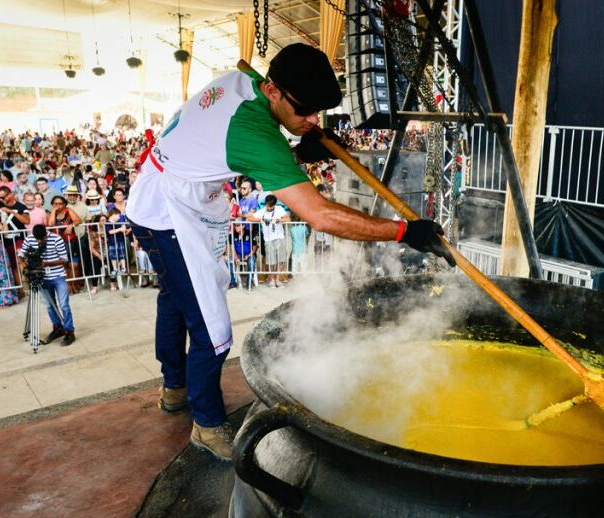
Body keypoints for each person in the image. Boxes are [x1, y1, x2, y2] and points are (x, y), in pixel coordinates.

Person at [127, 43, 451, 460]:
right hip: (167, 215)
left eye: (319, 112)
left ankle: (175, 388)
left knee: (174, 300)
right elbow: (320, 216)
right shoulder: (253, 134)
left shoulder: (244, 81)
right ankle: (206, 426)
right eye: (305, 111)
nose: (313, 120)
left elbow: (231, 152)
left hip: (155, 195)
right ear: (275, 91)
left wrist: (298, 150)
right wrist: (403, 230)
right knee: (211, 330)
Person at [19, 223, 75, 346]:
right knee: (50, 305)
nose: (39, 241)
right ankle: (58, 328)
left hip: (58, 276)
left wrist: (47, 263)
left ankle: (69, 331)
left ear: (46, 234)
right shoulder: (29, 239)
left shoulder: (56, 239)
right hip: (41, 277)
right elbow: (21, 255)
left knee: (64, 305)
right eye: (37, 239)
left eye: (42, 238)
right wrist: (24, 267)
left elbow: (64, 259)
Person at [249, 194, 290, 287]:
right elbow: (249, 218)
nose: (269, 208)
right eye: (268, 205)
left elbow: (288, 218)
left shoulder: (279, 209)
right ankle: (271, 279)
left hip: (280, 237)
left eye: (271, 206)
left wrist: (279, 220)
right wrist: (261, 219)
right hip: (268, 239)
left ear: (275, 204)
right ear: (266, 203)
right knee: (271, 261)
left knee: (281, 260)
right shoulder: (262, 211)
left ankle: (278, 279)